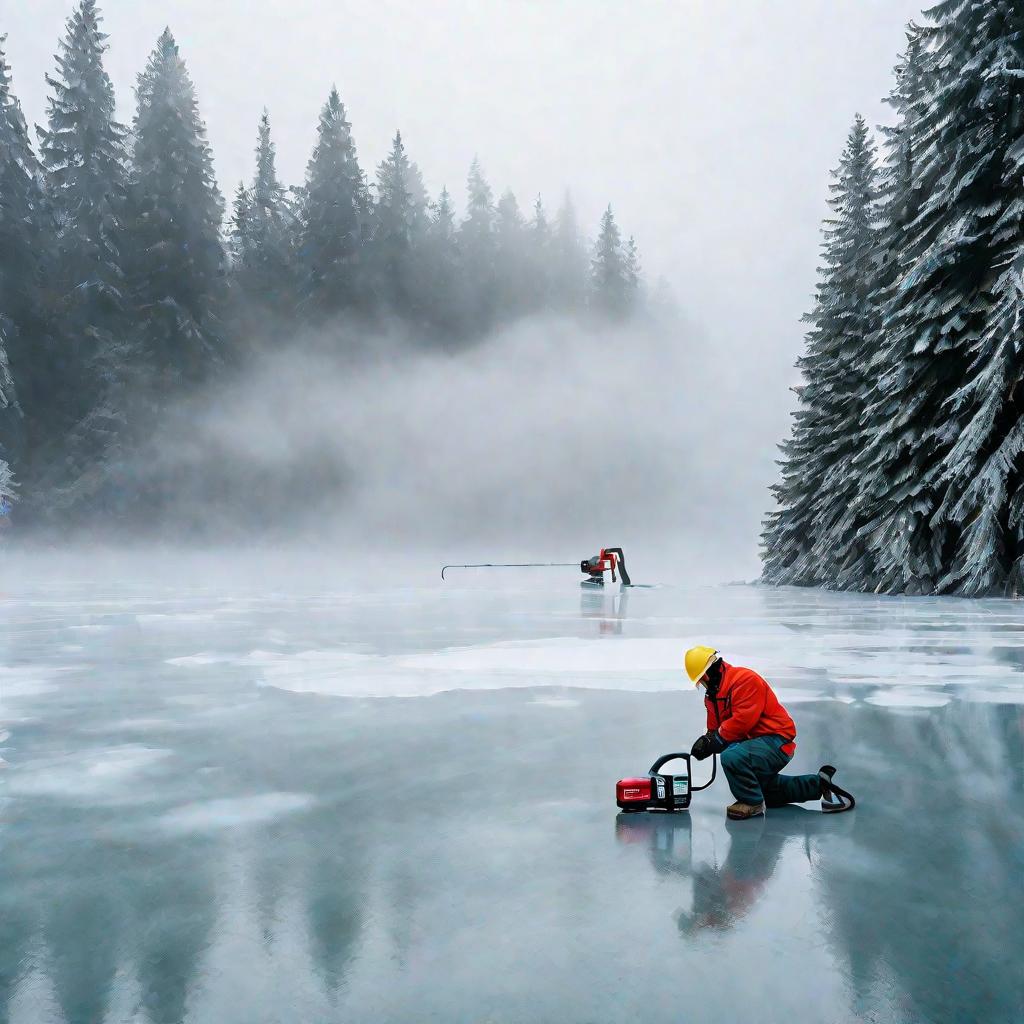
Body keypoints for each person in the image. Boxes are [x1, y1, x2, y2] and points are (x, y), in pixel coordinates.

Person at [684, 646, 855, 820]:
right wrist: (707, 742)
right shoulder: (712, 695)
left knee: (731, 757)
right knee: (767, 792)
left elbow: (743, 721)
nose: (701, 685)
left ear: (705, 675)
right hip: (752, 744)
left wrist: (717, 739)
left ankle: (752, 803)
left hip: (777, 741)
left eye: (700, 680)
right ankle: (818, 785)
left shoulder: (744, 680)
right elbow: (715, 729)